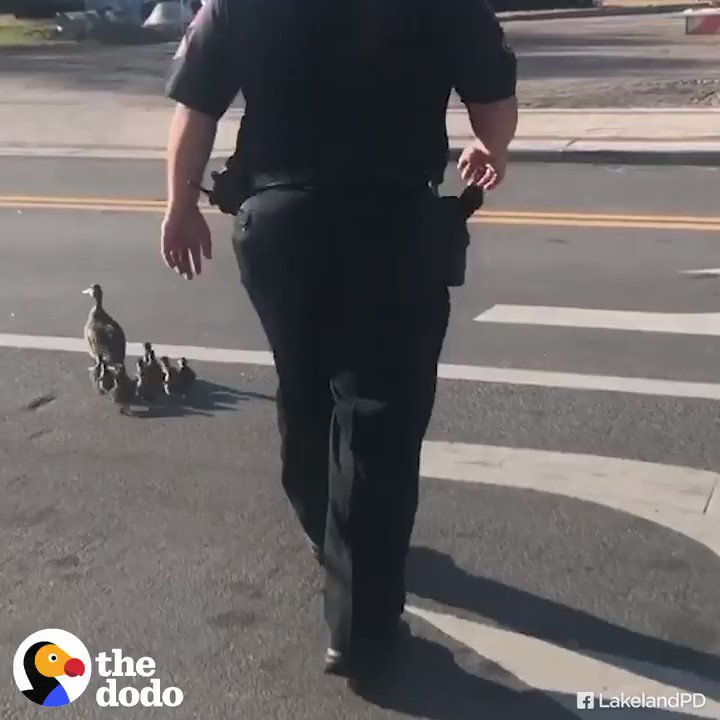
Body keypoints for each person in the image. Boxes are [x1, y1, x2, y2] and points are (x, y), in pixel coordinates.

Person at [162, 0, 518, 679]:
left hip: (278, 221)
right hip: (392, 222)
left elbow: (197, 103)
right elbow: (493, 99)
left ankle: (326, 527)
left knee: (305, 381)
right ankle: (360, 626)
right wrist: (491, 148)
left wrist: (180, 203)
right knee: (379, 418)